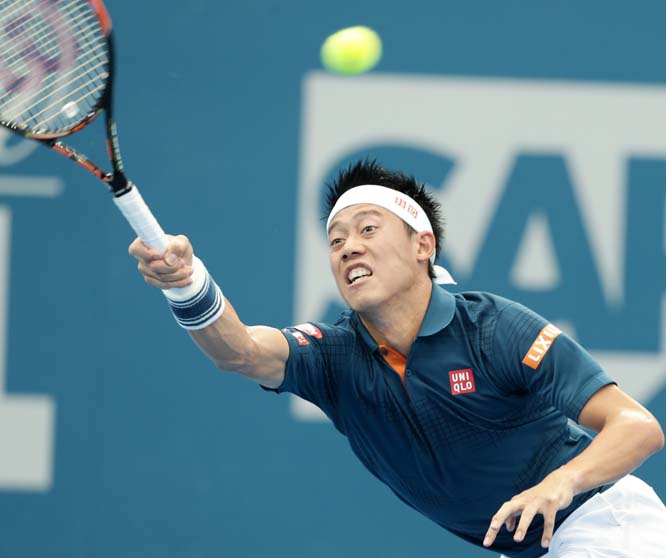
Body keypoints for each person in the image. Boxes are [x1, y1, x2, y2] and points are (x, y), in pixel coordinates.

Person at [129, 160, 666, 558]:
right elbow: (240, 352)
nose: (348, 248)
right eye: (335, 240)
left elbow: (638, 427)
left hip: (607, 524)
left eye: (367, 229)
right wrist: (186, 285)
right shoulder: (334, 357)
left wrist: (561, 483)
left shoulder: (494, 328)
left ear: (422, 246)